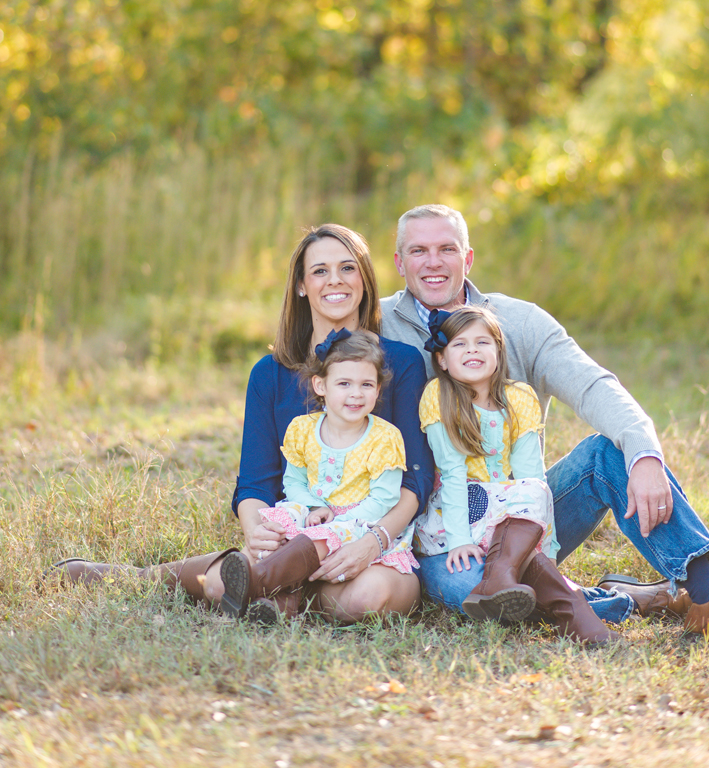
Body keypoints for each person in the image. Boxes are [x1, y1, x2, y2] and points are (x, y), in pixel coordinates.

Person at [381, 204, 709, 648]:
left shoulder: (519, 321)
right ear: (400, 263)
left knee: (606, 455)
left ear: (468, 258)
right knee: (473, 593)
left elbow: (592, 385)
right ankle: (626, 599)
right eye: (418, 250)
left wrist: (644, 453)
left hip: (520, 510)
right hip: (437, 528)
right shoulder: (378, 323)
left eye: (447, 248)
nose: (434, 262)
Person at [54, 224, 434, 625]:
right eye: (319, 271)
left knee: (366, 600)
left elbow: (417, 480)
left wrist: (373, 543)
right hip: (298, 533)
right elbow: (255, 482)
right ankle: (143, 579)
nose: (335, 280)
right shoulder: (270, 374)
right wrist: (256, 531)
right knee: (230, 579)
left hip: (373, 536)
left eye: (347, 268)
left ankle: (270, 594)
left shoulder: (401, 363)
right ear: (302, 286)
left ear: (365, 280)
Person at [415, 306, 618, 644]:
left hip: (508, 522)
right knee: (470, 583)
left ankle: (518, 585)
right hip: (458, 516)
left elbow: (531, 478)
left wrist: (547, 547)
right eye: (459, 345)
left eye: (482, 342)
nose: (472, 351)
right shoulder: (439, 396)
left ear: (498, 351)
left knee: (535, 489)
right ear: (442, 360)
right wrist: (460, 540)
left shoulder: (519, 398)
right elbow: (451, 474)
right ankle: (579, 607)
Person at [218, 327, 417, 623]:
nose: (355, 394)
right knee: (282, 523)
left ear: (377, 390)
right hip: (316, 511)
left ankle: (257, 582)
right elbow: (293, 481)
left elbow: (385, 497)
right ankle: (281, 603)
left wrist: (340, 521)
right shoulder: (302, 429)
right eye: (344, 383)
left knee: (320, 539)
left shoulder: (385, 438)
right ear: (320, 385)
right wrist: (311, 506)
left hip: (360, 521)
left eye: (366, 385)